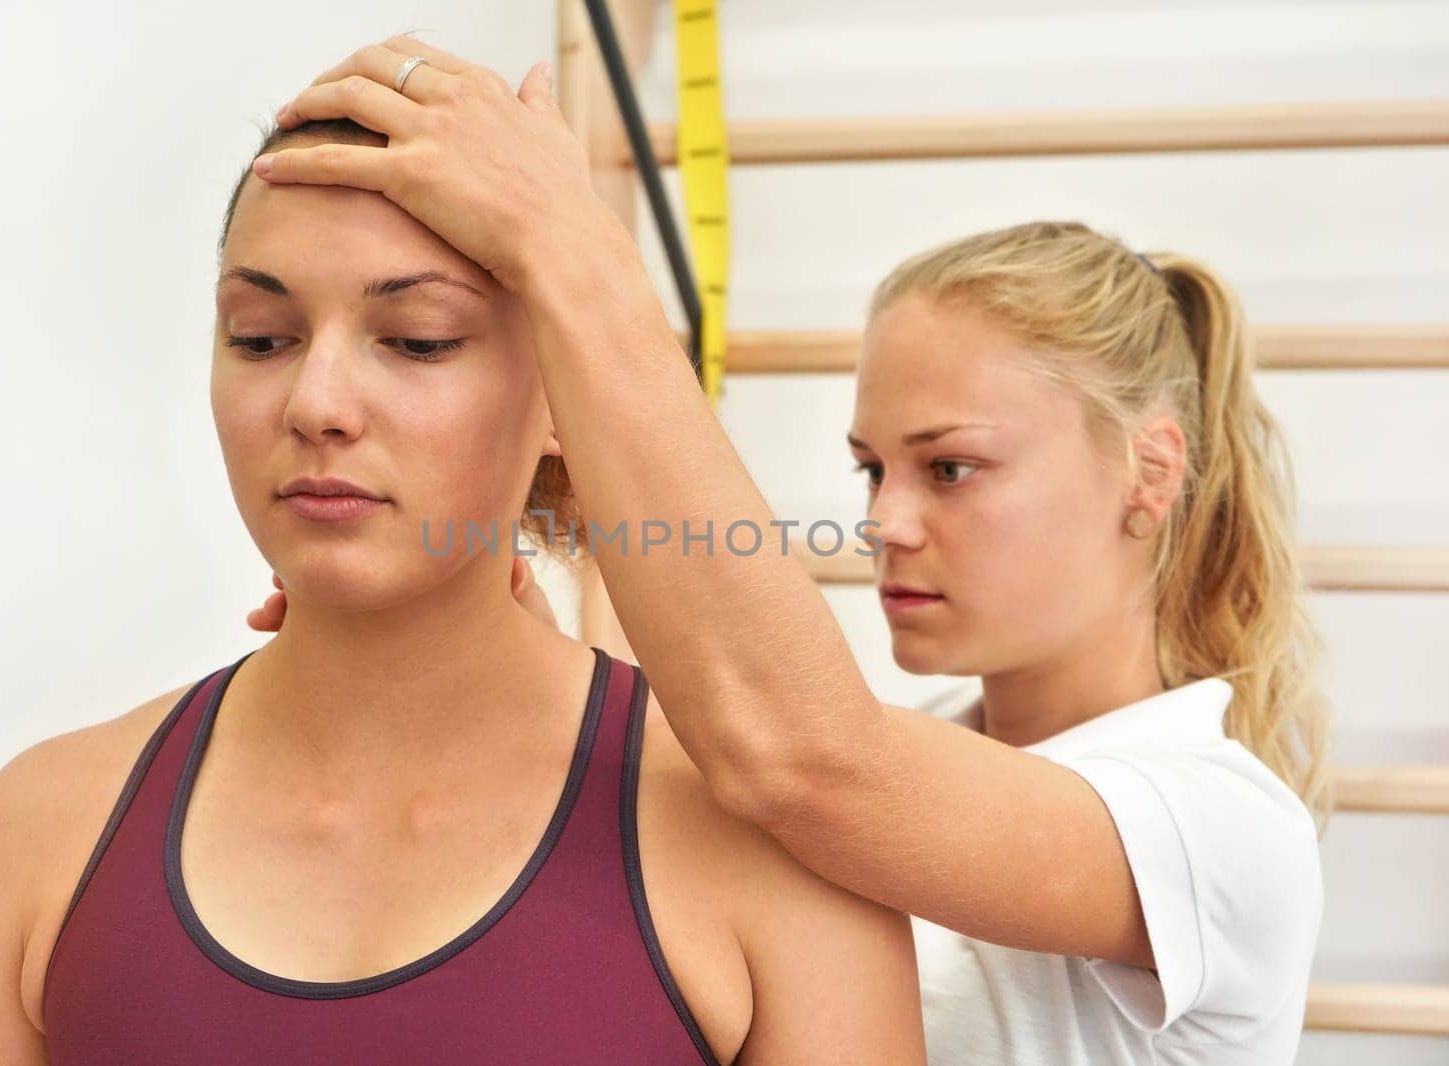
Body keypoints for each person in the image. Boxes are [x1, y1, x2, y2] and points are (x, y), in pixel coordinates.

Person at [243, 37, 1330, 1064]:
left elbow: (793, 752)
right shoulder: (900, 763)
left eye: (949, 468)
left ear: (1148, 471)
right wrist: (479, 638)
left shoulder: (1215, 829)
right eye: (872, 469)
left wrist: (571, 252)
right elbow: (713, 735)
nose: (885, 523)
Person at [0, 70, 927, 1065]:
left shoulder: (774, 853)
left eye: (418, 339)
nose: (316, 401)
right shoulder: (45, 827)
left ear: (561, 401)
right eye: (262, 337)